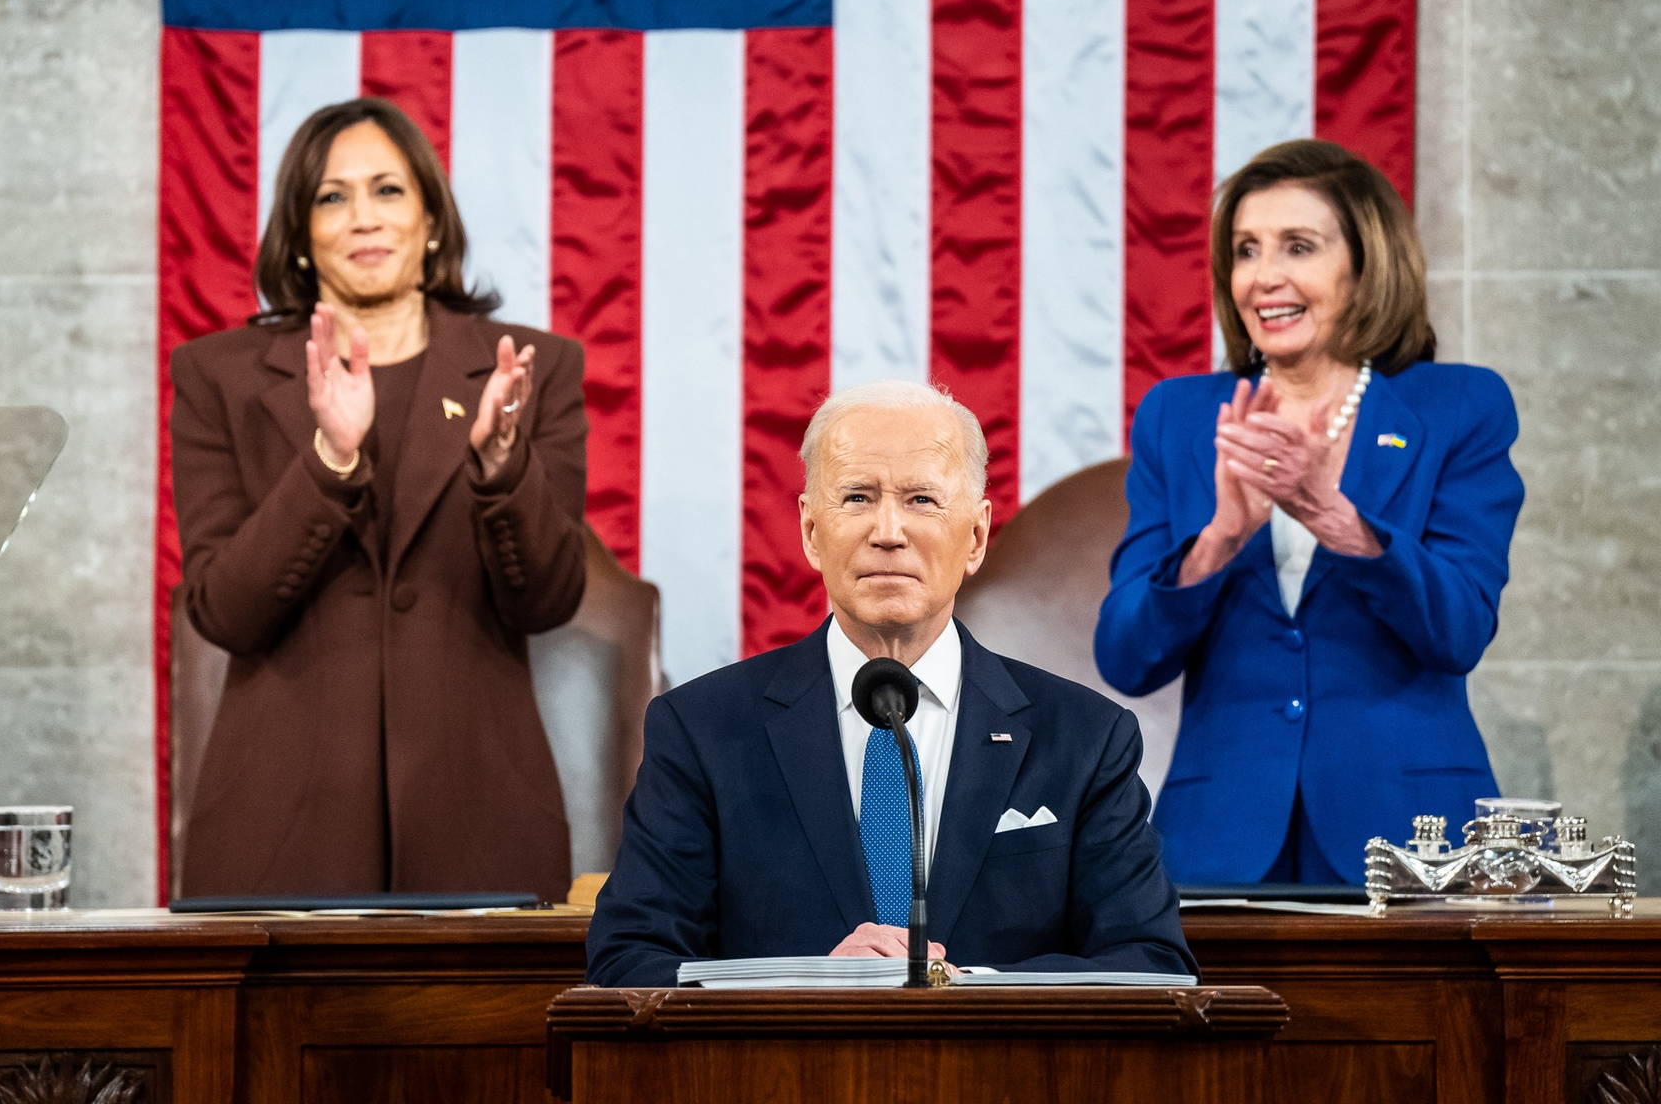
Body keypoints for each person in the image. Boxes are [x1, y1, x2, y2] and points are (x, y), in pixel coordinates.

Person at [586, 381, 1195, 986]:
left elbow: (1149, 963)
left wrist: (964, 985)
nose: (888, 531)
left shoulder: (1085, 739)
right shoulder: (702, 730)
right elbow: (628, 961)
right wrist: (809, 983)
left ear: (977, 536)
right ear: (810, 531)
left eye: (922, 500)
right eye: (857, 497)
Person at [171, 97, 588, 899]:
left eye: (388, 190)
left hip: (480, 821)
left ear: (431, 217)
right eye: (332, 196)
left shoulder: (532, 368)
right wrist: (329, 456)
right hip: (277, 830)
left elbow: (549, 598)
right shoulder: (215, 375)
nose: (364, 216)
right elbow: (224, 611)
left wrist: (503, 468)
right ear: (300, 232)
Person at [1094, 139, 1525, 886]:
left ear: (1364, 266)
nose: (1266, 277)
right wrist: (1221, 539)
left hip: (1411, 835)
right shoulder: (1180, 417)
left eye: (1299, 247)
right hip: (1218, 838)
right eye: (1246, 250)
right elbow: (1125, 657)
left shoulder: (1457, 407)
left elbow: (1459, 630)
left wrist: (1335, 518)